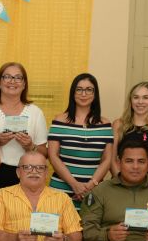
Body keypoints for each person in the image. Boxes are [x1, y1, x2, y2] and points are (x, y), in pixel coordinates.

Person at [48, 73, 113, 210]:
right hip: (61, 190)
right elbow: (53, 156)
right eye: (79, 89)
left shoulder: (105, 124)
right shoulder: (60, 121)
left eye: (89, 89)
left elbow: (107, 159)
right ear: (73, 93)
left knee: (90, 230)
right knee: (58, 231)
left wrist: (91, 185)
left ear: (95, 94)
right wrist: (74, 184)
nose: (84, 94)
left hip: (93, 192)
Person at [0, 62, 48, 193]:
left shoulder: (35, 112)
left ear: (24, 84)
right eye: (7, 77)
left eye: (18, 77)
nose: (13, 81)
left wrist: (30, 146)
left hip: (25, 174)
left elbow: (44, 153)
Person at [111, 82, 148, 181]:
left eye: (146, 97)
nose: (140, 102)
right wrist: (121, 183)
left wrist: (144, 184)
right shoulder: (118, 124)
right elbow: (111, 160)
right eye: (136, 97)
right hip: (121, 186)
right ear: (130, 100)